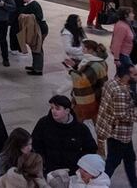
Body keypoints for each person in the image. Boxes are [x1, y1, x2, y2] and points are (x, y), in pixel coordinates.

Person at [31, 94, 97, 178]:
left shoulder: (80, 128)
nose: (53, 111)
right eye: (52, 108)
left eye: (57, 108)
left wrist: (79, 163)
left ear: (67, 111)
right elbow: (35, 144)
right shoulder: (43, 123)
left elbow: (91, 149)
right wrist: (43, 163)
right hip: (49, 172)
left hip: (72, 173)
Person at [95, 56, 137, 185]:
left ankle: (134, 183)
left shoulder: (112, 82)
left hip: (110, 129)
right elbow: (122, 116)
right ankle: (99, 184)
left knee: (129, 158)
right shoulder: (120, 93)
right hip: (118, 133)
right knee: (113, 162)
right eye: (135, 74)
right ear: (126, 76)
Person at [67, 40, 110, 124]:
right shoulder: (99, 61)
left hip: (88, 97)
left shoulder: (94, 64)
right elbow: (87, 73)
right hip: (97, 96)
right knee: (96, 122)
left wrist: (71, 71)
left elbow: (83, 80)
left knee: (76, 121)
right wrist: (75, 66)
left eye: (84, 49)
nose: (82, 51)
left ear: (90, 50)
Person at [46, 154, 113, 187]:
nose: (81, 172)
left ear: (94, 174)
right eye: (81, 168)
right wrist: (54, 174)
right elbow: (51, 183)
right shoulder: (76, 178)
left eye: (86, 171)